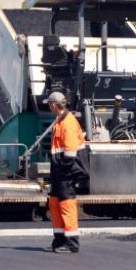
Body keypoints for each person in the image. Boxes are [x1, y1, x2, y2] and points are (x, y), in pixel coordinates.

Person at [44, 91, 88, 253]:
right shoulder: (60, 120)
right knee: (55, 203)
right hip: (60, 170)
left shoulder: (67, 122)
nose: (48, 107)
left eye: (49, 105)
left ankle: (72, 243)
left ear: (54, 105)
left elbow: (70, 152)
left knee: (66, 204)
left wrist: (62, 169)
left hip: (66, 170)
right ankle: (59, 240)